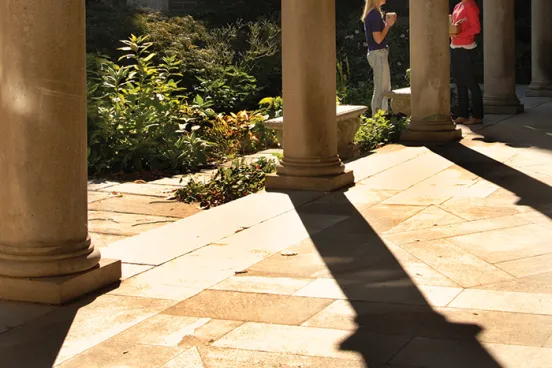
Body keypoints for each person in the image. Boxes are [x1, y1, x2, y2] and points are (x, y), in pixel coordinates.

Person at [362, 0, 397, 117]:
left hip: (377, 54)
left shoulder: (373, 13)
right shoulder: (374, 14)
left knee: (384, 88)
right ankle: (377, 121)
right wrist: (388, 25)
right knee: (381, 90)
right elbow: (378, 39)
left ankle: (382, 118)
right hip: (378, 54)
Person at [450, 0, 483, 125]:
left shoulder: (470, 4)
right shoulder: (458, 5)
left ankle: (477, 115)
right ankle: (463, 114)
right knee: (459, 82)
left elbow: (476, 28)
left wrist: (460, 35)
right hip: (455, 46)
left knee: (470, 82)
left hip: (466, 47)